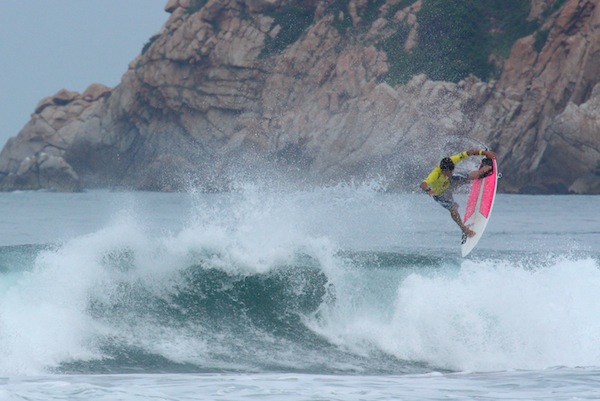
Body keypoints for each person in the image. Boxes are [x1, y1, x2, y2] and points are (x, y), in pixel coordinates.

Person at [420, 149, 497, 238]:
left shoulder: (451, 161)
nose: (451, 173)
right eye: (449, 172)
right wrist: (428, 190)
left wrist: (484, 153)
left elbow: (469, 153)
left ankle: (482, 170)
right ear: (443, 170)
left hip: (450, 183)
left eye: (452, 171)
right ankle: (464, 230)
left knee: (472, 175)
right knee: (453, 208)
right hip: (440, 194)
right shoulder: (435, 174)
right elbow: (423, 184)